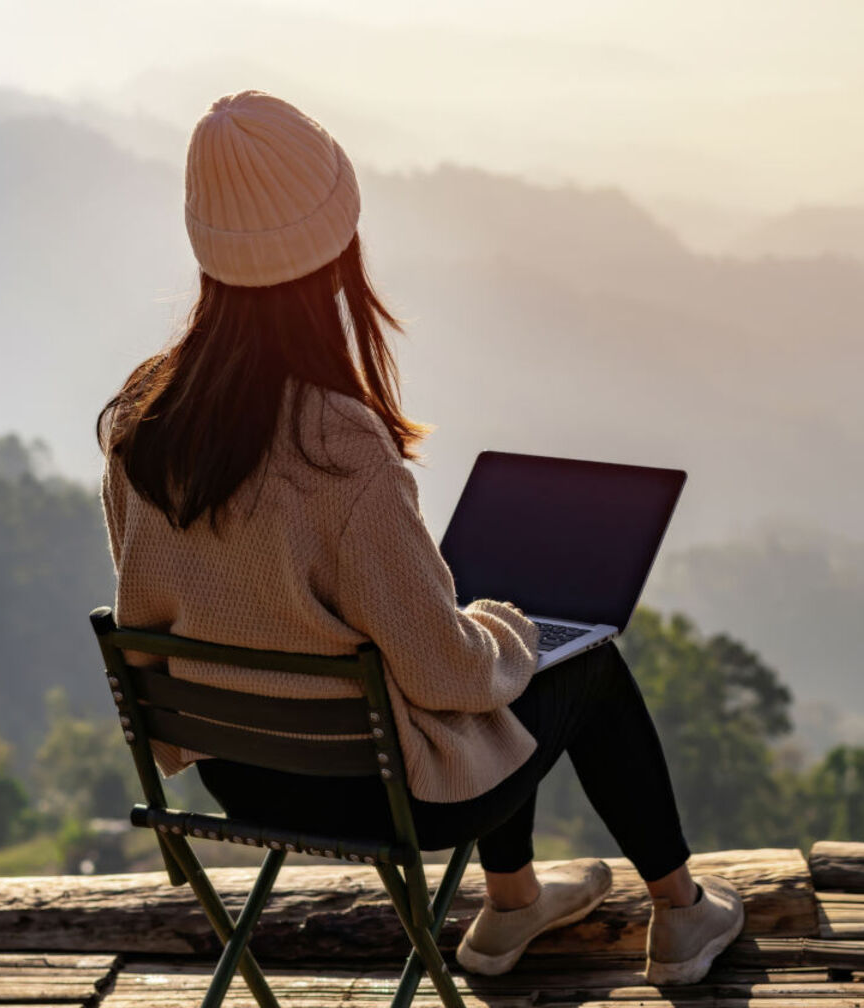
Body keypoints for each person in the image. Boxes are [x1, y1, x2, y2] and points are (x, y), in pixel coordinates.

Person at [95, 90, 745, 985]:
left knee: (492, 654)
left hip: (238, 776)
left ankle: (513, 903)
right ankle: (681, 914)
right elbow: (447, 675)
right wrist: (505, 630)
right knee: (579, 663)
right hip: (380, 793)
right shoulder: (338, 446)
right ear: (336, 248)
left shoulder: (142, 425)